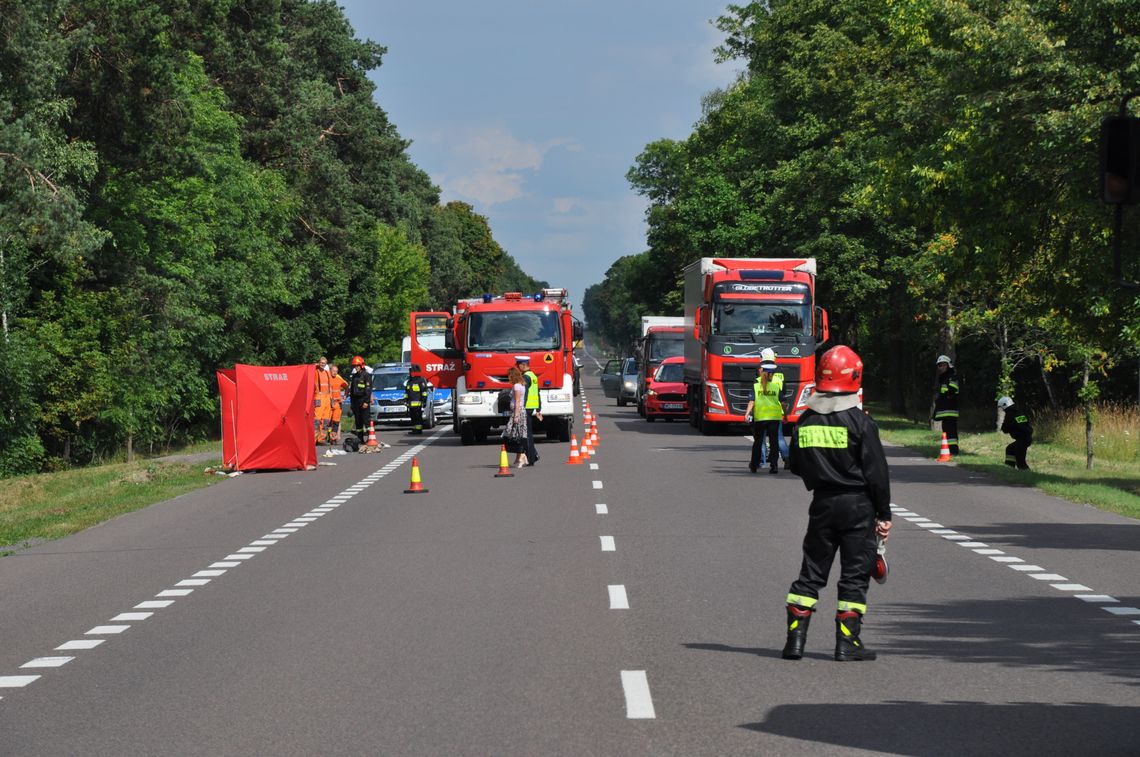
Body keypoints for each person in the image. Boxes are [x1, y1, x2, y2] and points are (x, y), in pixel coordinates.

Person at [782, 345, 892, 662]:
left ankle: (795, 642)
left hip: (822, 506)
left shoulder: (804, 422)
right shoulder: (862, 424)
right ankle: (847, 645)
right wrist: (883, 514)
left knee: (811, 574)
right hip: (859, 507)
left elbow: (796, 466)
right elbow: (877, 474)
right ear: (856, 377)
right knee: (854, 577)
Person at [745, 354, 784, 474]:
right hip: (774, 418)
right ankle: (774, 466)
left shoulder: (756, 386)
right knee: (774, 442)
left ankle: (754, 465)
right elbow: (781, 402)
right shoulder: (776, 386)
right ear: (772, 374)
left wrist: (746, 414)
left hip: (760, 418)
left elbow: (752, 401)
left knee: (758, 442)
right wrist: (785, 416)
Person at [502, 365, 529, 467]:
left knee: (511, 433)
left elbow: (517, 401)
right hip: (520, 411)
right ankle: (519, 458)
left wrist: (516, 416)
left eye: (509, 375)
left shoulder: (516, 386)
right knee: (519, 434)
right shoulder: (521, 385)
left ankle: (521, 455)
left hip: (517, 412)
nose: (508, 378)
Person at [518, 356, 542, 466]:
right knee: (528, 433)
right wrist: (538, 409)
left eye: (518, 365)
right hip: (531, 407)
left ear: (523, 365)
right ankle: (533, 455)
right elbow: (537, 393)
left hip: (526, 408)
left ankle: (532, 458)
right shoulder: (533, 376)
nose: (518, 368)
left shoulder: (526, 377)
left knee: (526, 434)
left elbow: (525, 393)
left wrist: (520, 407)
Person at [933, 354, 960, 456]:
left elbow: (952, 389)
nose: (941, 367)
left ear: (949, 365)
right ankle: (949, 450)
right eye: (940, 365)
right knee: (947, 431)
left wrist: (945, 394)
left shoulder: (952, 376)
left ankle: (953, 451)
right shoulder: (944, 377)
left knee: (951, 431)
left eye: (943, 365)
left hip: (950, 410)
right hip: (946, 410)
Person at [998, 396, 1032, 470]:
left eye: (1001, 407)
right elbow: (1025, 425)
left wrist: (1007, 426)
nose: (1002, 409)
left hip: (1022, 440)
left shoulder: (1010, 414)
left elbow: (1005, 429)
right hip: (1027, 438)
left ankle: (1026, 473)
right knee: (1010, 449)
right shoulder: (1019, 412)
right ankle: (1010, 467)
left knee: (1020, 461)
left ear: (1004, 405)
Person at [347, 356, 373, 443]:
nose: (356, 367)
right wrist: (352, 404)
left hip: (363, 400)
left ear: (361, 365)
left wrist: (366, 401)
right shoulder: (354, 377)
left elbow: (368, 390)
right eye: (355, 366)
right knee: (358, 421)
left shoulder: (366, 376)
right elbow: (352, 391)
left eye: (357, 366)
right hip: (356, 402)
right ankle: (360, 439)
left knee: (366, 420)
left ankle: (370, 438)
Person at [404, 364, 429, 434]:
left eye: (411, 371)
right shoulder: (409, 382)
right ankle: (415, 429)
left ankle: (419, 430)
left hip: (418, 404)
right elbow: (406, 392)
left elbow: (424, 392)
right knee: (413, 417)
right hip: (410, 404)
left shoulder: (421, 380)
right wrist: (405, 401)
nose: (410, 373)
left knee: (418, 417)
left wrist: (424, 401)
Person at [313, 356, 333, 444]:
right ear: (318, 363)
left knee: (326, 420)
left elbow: (330, 386)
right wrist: (316, 365)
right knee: (317, 419)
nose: (322, 364)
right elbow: (311, 367)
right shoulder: (315, 371)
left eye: (324, 363)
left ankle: (322, 439)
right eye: (321, 363)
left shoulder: (327, 372)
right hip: (319, 396)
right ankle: (314, 439)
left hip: (327, 397)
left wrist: (331, 398)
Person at [328, 364, 348, 443]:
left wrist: (345, 396)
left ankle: (333, 437)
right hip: (329, 403)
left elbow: (347, 387)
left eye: (336, 371)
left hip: (337, 403)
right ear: (330, 371)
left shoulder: (339, 378)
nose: (335, 373)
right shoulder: (327, 378)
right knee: (328, 421)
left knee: (336, 421)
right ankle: (327, 437)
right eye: (333, 371)